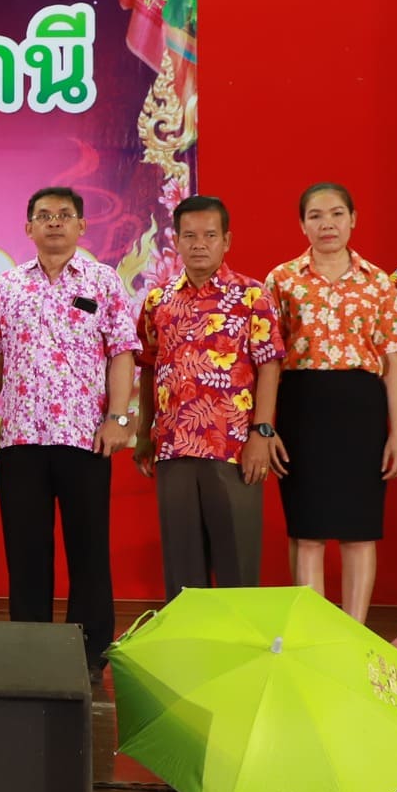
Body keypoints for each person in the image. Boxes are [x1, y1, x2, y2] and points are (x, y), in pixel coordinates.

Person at [0, 186, 139, 674]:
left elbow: (122, 353)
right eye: (44, 216)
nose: (54, 223)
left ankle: (88, 654)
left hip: (85, 437)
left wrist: (118, 418)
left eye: (64, 215)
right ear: (28, 227)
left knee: (88, 548)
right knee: (26, 550)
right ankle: (32, 650)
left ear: (81, 226)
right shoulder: (6, 286)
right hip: (21, 438)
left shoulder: (104, 281)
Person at [262, 183, 397, 625]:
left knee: (359, 531)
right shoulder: (281, 280)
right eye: (315, 215)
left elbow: (394, 362)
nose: (327, 224)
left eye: (336, 214)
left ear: (353, 219)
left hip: (362, 411)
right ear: (302, 224)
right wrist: (266, 426)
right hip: (301, 408)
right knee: (307, 530)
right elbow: (268, 359)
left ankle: (353, 633)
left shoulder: (379, 282)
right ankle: (314, 634)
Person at [135, 195, 285, 597]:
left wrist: (262, 432)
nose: (199, 244)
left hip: (233, 447)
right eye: (189, 236)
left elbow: (269, 365)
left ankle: (238, 637)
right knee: (183, 569)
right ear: (176, 241)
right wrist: (144, 432)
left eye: (209, 235)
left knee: (237, 561)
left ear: (226, 240)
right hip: (173, 447)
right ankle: (189, 638)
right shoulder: (158, 300)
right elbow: (148, 366)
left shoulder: (252, 296)